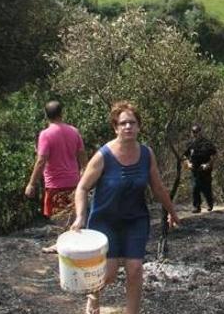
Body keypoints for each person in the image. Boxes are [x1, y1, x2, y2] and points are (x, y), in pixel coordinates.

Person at [70, 101, 180, 314]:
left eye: (132, 123)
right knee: (108, 274)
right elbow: (82, 188)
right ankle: (94, 295)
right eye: (123, 123)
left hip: (135, 220)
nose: (128, 127)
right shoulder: (103, 156)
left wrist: (172, 213)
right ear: (116, 128)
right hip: (105, 220)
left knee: (135, 269)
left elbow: (157, 188)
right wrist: (80, 217)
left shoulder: (147, 154)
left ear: (139, 127)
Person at [24, 100, 86, 253]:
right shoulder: (74, 131)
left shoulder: (45, 135)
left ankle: (62, 245)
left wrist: (31, 184)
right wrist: (84, 171)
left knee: (58, 217)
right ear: (61, 113)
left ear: (46, 115)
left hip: (55, 183)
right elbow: (82, 154)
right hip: (73, 181)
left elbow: (41, 160)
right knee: (72, 214)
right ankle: (73, 243)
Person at [183, 124, 217, 213]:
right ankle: (197, 207)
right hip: (195, 169)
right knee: (195, 187)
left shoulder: (207, 143)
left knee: (206, 189)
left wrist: (208, 164)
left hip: (205, 170)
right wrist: (188, 164)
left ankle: (210, 204)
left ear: (200, 132)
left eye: (197, 132)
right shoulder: (190, 144)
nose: (195, 134)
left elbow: (213, 156)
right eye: (193, 132)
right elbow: (184, 157)